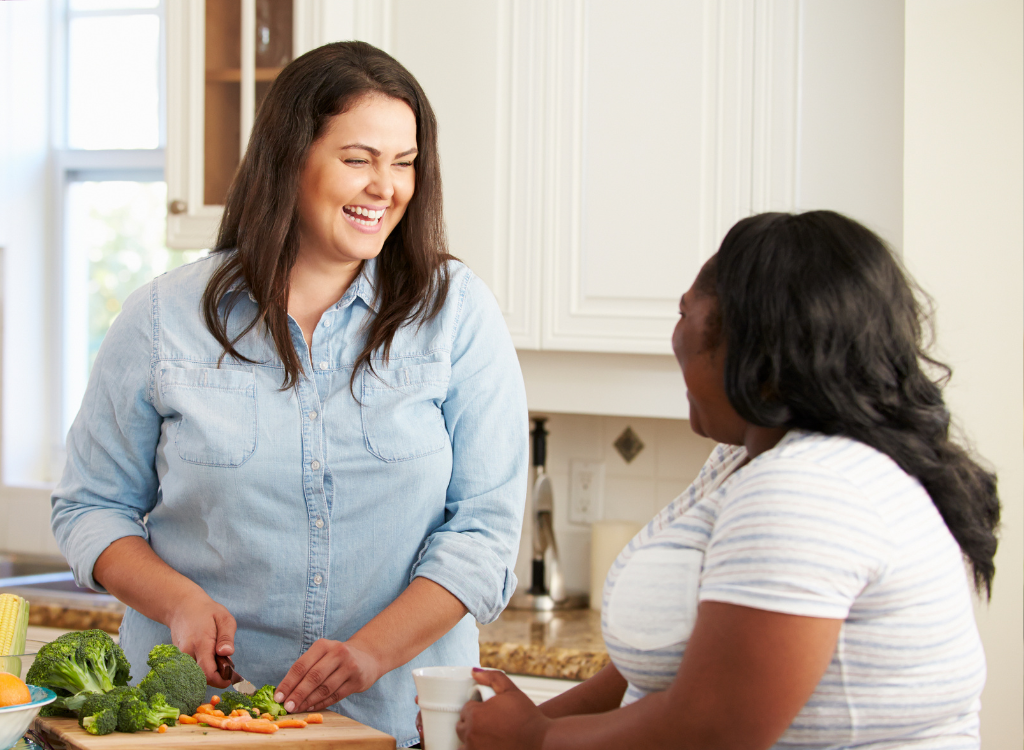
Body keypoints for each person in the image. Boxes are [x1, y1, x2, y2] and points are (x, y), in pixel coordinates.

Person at [51, 41, 528, 746]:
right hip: (196, 725)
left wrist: (370, 654)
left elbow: (484, 536)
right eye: (358, 159)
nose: (386, 187)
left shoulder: (456, 315)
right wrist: (178, 601)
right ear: (289, 157)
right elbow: (90, 507)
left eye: (404, 164)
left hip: (400, 722)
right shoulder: (161, 319)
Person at [456, 211, 1000, 750]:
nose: (676, 339)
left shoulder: (809, 489)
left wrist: (537, 741)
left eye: (684, 313)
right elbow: (673, 664)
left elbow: (715, 727)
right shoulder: (742, 461)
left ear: (751, 340)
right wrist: (532, 724)